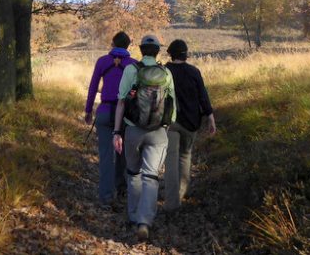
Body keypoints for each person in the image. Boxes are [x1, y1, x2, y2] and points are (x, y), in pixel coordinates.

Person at [112, 34, 176, 242]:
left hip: (133, 130)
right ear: (158, 50)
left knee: (133, 173)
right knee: (151, 176)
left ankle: (133, 215)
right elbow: (172, 105)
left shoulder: (132, 70)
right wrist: (165, 126)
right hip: (158, 132)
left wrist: (116, 132)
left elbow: (121, 101)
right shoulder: (166, 73)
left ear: (141, 50)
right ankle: (144, 221)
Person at [85, 31, 137, 208]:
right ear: (128, 45)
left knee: (106, 155)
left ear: (113, 44)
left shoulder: (102, 61)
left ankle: (106, 196)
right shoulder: (134, 64)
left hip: (105, 111)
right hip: (126, 115)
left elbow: (93, 87)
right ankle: (121, 188)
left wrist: (88, 110)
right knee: (123, 153)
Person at [163, 39, 216, 212]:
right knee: (185, 157)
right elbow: (203, 96)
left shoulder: (165, 71)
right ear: (186, 54)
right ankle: (180, 195)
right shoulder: (194, 71)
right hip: (191, 123)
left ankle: (171, 203)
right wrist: (210, 116)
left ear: (170, 54)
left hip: (170, 122)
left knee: (170, 161)